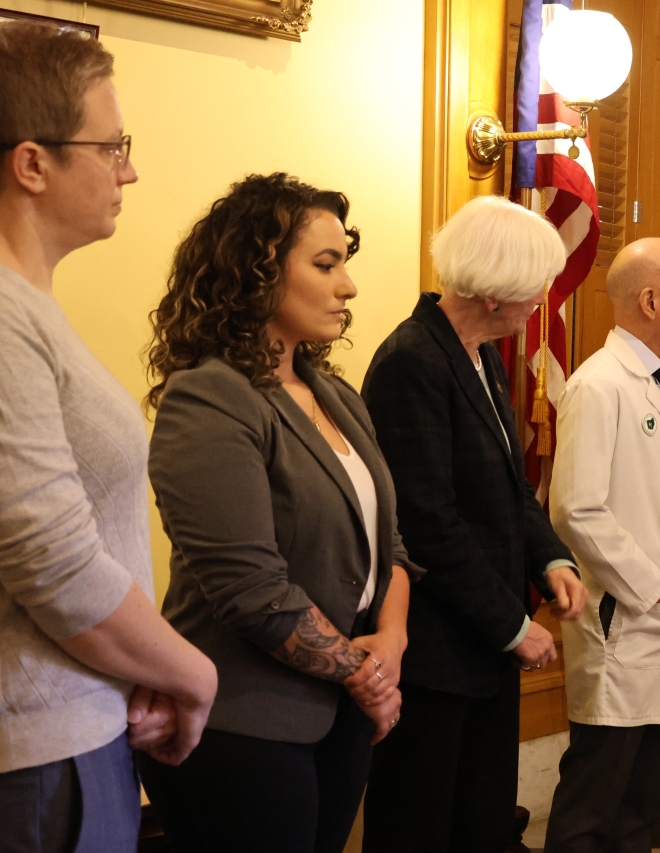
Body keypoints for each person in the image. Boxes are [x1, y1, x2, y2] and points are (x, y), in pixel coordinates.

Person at [140, 173, 418, 853]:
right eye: (326, 264)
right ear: (255, 272)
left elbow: (394, 548)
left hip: (344, 710)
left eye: (344, 263)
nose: (348, 286)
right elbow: (250, 590)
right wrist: (363, 672)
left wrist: (392, 639)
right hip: (245, 722)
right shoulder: (210, 396)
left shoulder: (337, 395)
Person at [0, 23, 217, 852]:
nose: (128, 168)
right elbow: (49, 557)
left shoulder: (31, 307)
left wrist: (139, 667)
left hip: (76, 725)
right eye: (111, 145)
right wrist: (190, 671)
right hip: (39, 749)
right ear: (32, 163)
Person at [361, 194, 587, 853]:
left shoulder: (479, 353)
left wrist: (550, 558)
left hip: (478, 650)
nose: (541, 302)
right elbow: (427, 520)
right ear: (496, 293)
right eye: (536, 288)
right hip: (435, 651)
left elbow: (506, 487)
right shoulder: (413, 359)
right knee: (421, 827)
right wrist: (512, 624)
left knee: (481, 824)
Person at [543, 237, 660, 853]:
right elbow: (575, 508)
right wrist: (653, 585)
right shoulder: (599, 386)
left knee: (642, 806)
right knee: (595, 800)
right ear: (649, 300)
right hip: (625, 619)